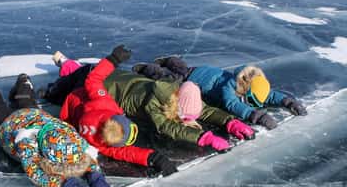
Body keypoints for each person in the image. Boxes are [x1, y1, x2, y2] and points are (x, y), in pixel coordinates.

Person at [40, 51, 255, 157]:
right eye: (186, 117)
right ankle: (64, 64)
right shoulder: (155, 102)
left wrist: (230, 122)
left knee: (79, 70)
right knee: (59, 90)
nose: (191, 120)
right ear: (176, 105)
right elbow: (166, 126)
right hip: (93, 84)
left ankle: (69, 65)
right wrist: (203, 137)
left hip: (116, 77)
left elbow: (202, 110)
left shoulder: (179, 94)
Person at [0, 73, 111, 187]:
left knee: (27, 102)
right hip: (11, 125)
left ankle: (23, 82)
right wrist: (67, 185)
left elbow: (83, 154)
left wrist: (94, 175)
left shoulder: (72, 139)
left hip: (35, 117)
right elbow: (34, 171)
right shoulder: (27, 142)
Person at [58, 45, 178, 177]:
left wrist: (113, 59)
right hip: (69, 108)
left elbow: (93, 80)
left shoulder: (103, 103)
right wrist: (151, 157)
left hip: (78, 96)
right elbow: (125, 153)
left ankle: (65, 66)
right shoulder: (100, 143)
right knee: (65, 83)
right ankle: (60, 77)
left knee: (81, 73)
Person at [132, 56, 307, 130]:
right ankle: (150, 68)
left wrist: (288, 102)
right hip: (193, 78)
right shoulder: (228, 88)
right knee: (170, 77)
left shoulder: (248, 83)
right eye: (250, 100)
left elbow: (269, 95)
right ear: (244, 89)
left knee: (181, 67)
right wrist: (256, 116)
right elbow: (232, 104)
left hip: (204, 70)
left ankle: (170, 60)